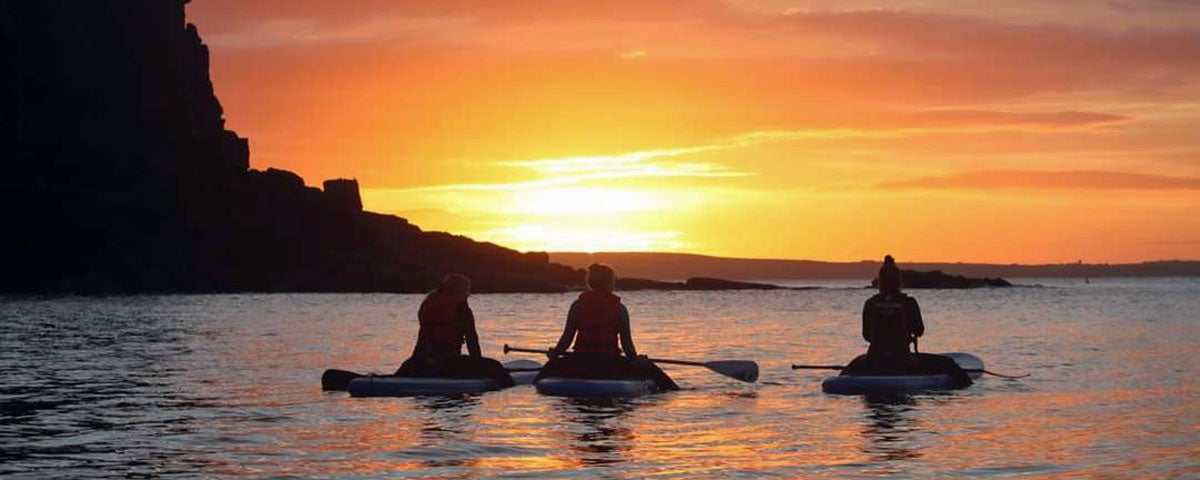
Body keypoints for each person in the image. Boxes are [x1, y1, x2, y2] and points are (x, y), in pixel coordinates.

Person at [537, 263, 678, 390]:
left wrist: (555, 354)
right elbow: (627, 346)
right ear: (609, 283)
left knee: (548, 368)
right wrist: (638, 361)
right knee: (649, 367)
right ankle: (674, 390)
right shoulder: (620, 309)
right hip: (609, 363)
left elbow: (566, 340)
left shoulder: (577, 306)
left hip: (580, 361)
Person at [843, 255, 971, 386]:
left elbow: (866, 335)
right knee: (948, 363)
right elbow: (919, 331)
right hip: (903, 360)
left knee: (854, 364)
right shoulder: (909, 302)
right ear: (898, 281)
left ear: (880, 281)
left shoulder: (870, 303)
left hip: (874, 359)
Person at [395, 273, 514, 387]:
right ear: (460, 291)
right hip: (446, 364)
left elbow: (424, 338)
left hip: (421, 361)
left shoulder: (428, 303)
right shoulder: (462, 310)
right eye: (467, 291)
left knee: (407, 367)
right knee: (496, 366)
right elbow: (472, 341)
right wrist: (479, 366)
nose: (468, 295)